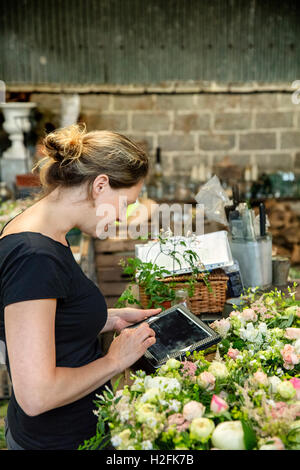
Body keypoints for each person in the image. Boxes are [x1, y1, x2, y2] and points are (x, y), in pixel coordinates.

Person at [0, 123, 160, 450]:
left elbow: (45, 321)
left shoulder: (43, 230)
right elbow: (37, 395)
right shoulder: (34, 256)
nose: (122, 216)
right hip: (55, 440)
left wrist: (106, 318)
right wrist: (116, 361)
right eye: (126, 202)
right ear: (100, 185)